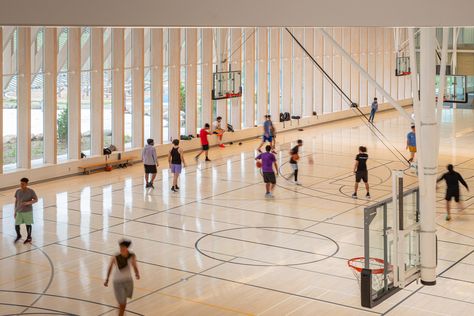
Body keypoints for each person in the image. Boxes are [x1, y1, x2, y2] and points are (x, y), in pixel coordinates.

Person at [104, 239, 140, 316]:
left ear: (127, 248)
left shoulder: (132, 256)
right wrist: (107, 279)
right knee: (122, 303)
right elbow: (110, 267)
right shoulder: (115, 257)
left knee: (123, 302)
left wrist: (137, 273)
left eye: (123, 247)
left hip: (128, 281)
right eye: (120, 247)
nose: (121, 249)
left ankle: (120, 312)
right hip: (118, 282)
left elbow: (134, 265)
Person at [14, 178, 38, 244]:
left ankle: (29, 237)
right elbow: (16, 201)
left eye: (23, 184)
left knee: (28, 224)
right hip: (19, 211)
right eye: (21, 183)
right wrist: (15, 211)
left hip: (28, 211)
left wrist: (28, 203)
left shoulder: (31, 191)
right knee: (16, 224)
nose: (21, 185)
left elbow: (36, 200)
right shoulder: (18, 191)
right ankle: (18, 235)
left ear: (27, 184)